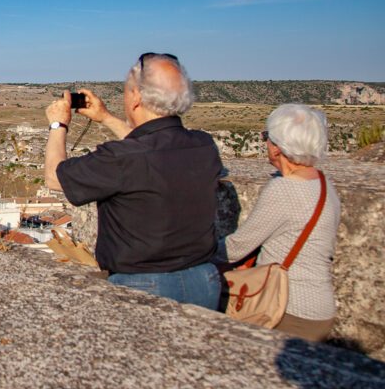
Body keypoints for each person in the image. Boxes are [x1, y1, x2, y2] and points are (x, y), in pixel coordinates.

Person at [43, 53, 223, 309]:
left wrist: (58, 125)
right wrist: (105, 117)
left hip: (143, 286)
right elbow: (151, 147)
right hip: (204, 281)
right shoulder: (203, 145)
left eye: (127, 90)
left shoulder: (120, 158)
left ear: (137, 97)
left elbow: (54, 176)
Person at [221, 104, 341, 342]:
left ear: (277, 147)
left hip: (290, 308)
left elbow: (235, 248)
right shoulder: (322, 182)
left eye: (266, 136)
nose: (265, 142)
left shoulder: (285, 190)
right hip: (319, 306)